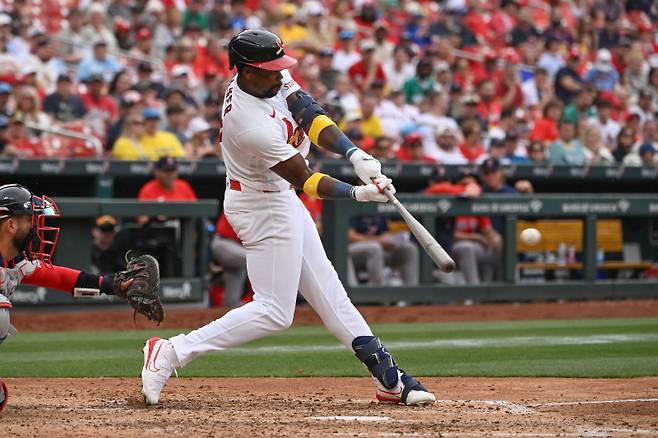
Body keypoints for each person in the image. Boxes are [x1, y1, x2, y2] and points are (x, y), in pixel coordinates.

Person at [140, 29, 435, 407]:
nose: (281, 74)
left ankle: (391, 380)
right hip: (260, 205)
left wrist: (353, 154)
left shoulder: (268, 79)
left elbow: (309, 113)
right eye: (271, 69)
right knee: (275, 312)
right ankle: (169, 352)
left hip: (280, 198)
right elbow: (305, 179)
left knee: (331, 294)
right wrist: (357, 193)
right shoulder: (248, 124)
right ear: (247, 71)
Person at [0, 184, 141, 414]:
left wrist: (110, 285)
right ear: (12, 224)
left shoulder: (14, 261)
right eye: (30, 220)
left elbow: (60, 278)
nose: (35, 228)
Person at [347, 215, 419, 287]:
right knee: (375, 248)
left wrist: (389, 241)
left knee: (410, 249)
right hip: (352, 251)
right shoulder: (354, 208)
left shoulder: (379, 208)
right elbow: (350, 236)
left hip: (379, 249)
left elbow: (386, 233)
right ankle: (378, 294)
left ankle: (410, 295)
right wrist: (377, 240)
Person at [210, 212, 247, 308]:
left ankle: (230, 306)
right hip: (223, 242)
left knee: (231, 303)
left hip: (236, 247)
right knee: (254, 258)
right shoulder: (240, 202)